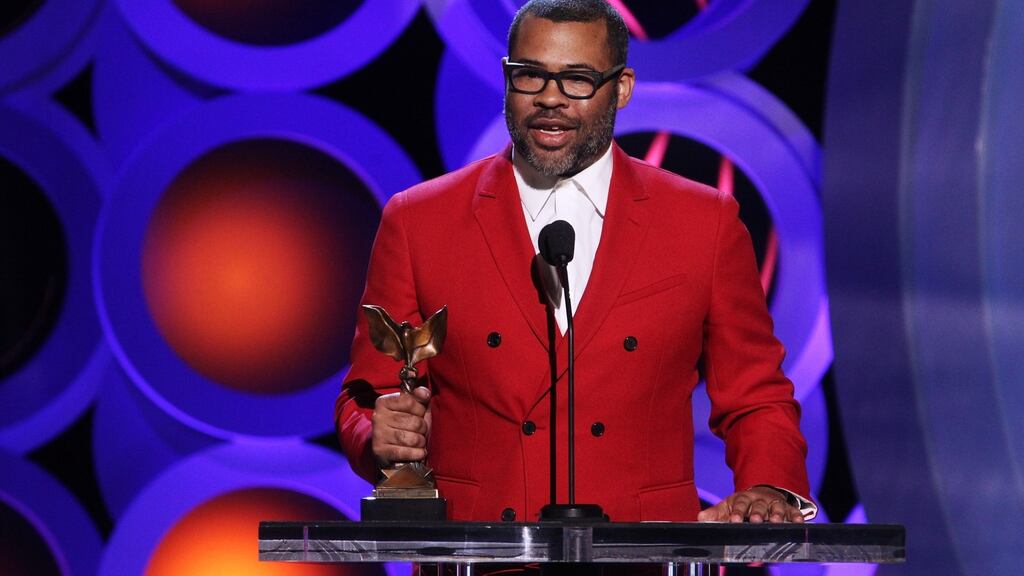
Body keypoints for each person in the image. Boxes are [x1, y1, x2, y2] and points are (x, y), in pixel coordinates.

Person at [336, 0, 816, 524]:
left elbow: (755, 394)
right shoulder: (420, 220)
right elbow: (367, 395)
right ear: (506, 79)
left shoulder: (703, 221)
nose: (550, 98)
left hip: (640, 548)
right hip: (481, 548)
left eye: (578, 80)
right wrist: (377, 435)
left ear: (622, 88)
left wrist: (769, 486)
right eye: (530, 75)